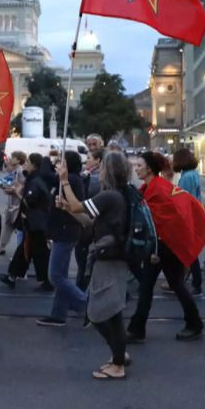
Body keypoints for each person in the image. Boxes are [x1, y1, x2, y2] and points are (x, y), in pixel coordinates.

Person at [56, 152, 131, 380]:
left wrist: (65, 180)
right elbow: (87, 219)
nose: (99, 171)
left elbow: (79, 206)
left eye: (102, 168)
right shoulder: (119, 196)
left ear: (109, 170)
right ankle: (120, 354)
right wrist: (68, 208)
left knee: (99, 313)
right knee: (112, 312)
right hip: (112, 257)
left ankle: (118, 362)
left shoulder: (109, 196)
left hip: (108, 258)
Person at [127, 151, 204, 343]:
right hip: (161, 246)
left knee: (169, 285)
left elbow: (163, 221)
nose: (136, 168)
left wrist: (155, 249)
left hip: (164, 247)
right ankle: (138, 328)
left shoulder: (157, 189)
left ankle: (193, 323)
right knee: (155, 285)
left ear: (150, 168)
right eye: (135, 165)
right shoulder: (151, 187)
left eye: (139, 165)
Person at [37, 152, 87, 327]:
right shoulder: (72, 179)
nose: (58, 164)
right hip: (63, 231)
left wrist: (46, 159)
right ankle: (58, 314)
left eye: (62, 161)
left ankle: (87, 304)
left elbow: (45, 174)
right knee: (61, 274)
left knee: (56, 276)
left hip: (65, 231)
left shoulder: (71, 180)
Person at [1, 153, 52, 290]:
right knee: (26, 251)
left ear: (34, 165)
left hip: (36, 224)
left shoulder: (35, 182)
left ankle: (44, 281)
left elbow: (30, 201)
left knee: (37, 253)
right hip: (36, 223)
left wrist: (17, 193)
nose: (25, 164)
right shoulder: (37, 179)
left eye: (28, 162)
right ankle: (13, 275)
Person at [173, 149, 204, 295]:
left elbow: (183, 199)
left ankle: (194, 283)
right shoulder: (194, 174)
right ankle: (192, 281)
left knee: (188, 253)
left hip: (187, 218)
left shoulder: (186, 177)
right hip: (194, 215)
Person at [76, 148, 103, 291]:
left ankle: (80, 292)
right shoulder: (90, 176)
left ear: (98, 161)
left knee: (84, 261)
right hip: (94, 226)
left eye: (89, 158)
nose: (86, 161)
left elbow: (86, 202)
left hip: (90, 225)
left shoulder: (93, 179)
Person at [0, 150, 26, 255]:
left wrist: (11, 189)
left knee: (18, 227)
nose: (11, 158)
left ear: (18, 160)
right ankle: (1, 247)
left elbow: (20, 187)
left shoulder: (20, 171)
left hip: (17, 204)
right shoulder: (16, 171)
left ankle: (20, 250)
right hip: (12, 203)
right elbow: (7, 180)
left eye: (13, 157)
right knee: (8, 225)